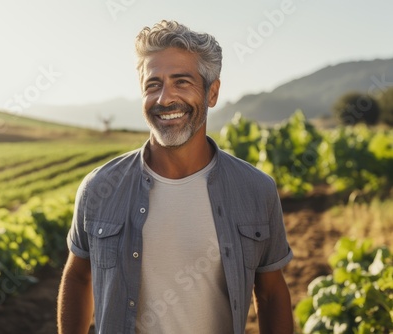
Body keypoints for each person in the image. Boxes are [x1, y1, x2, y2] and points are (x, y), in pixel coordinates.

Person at [57, 20, 294, 334]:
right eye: (153, 84)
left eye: (182, 82)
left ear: (212, 92)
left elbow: (271, 292)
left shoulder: (256, 190)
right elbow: (78, 277)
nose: (164, 99)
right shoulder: (99, 187)